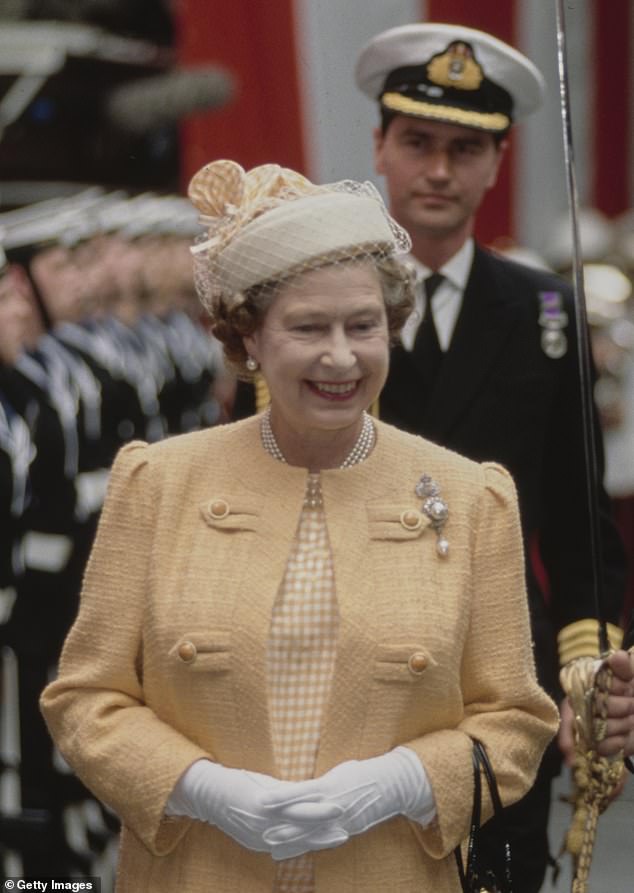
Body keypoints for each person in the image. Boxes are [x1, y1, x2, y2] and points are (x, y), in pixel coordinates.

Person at [40, 159, 559, 893]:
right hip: (198, 871)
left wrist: (402, 782)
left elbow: (515, 721)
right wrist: (199, 788)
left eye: (364, 326)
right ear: (247, 336)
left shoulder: (472, 496)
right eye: (308, 326)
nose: (341, 356)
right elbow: (84, 698)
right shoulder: (158, 481)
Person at [353, 22, 626, 892]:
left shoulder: (545, 311)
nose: (439, 169)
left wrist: (587, 668)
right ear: (380, 148)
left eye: (465, 148)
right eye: (419, 141)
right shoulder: (325, 302)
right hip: (356, 677)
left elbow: (583, 528)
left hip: (506, 679)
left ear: (498, 162)